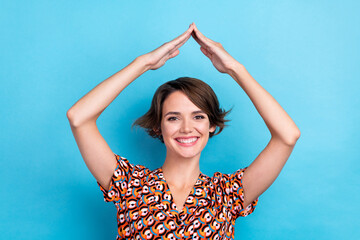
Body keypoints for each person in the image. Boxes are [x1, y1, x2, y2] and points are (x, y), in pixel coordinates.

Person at [67, 23, 301, 240]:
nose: (187, 128)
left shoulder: (227, 194)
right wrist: (143, 63)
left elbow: (287, 136)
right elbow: (79, 117)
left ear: (211, 124)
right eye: (173, 118)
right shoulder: (130, 185)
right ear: (159, 126)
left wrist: (234, 68)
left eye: (198, 117)